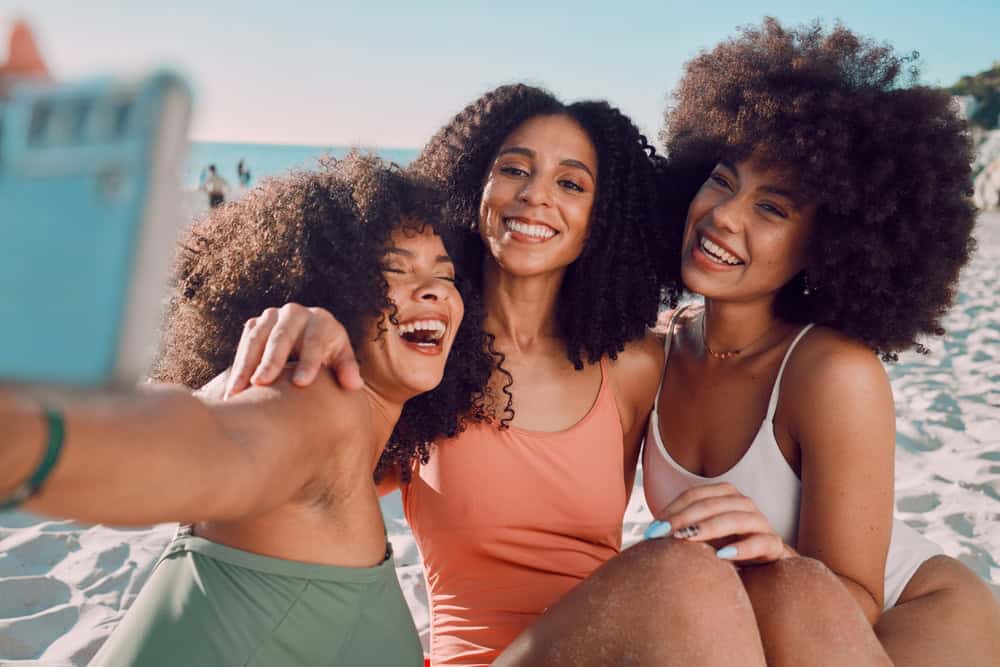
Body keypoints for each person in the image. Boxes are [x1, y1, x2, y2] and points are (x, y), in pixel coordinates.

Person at [225, 86, 823, 666]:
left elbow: (743, 378)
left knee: (699, 577)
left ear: (602, 218)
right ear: (473, 187)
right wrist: (304, 330)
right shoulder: (423, 350)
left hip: (616, 650)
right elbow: (294, 479)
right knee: (679, 570)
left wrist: (769, 543)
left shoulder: (637, 365)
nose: (536, 196)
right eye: (514, 170)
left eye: (570, 183)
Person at [1, 153, 493, 666]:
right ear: (332, 288)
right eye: (395, 269)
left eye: (446, 275)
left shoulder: (363, 460)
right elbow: (204, 444)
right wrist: (30, 437)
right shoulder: (315, 402)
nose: (434, 289)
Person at [637, 19, 1000, 665]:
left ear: (828, 246)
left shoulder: (833, 372)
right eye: (723, 178)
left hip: (903, 616)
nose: (724, 214)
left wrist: (776, 560)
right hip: (751, 627)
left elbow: (855, 595)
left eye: (772, 208)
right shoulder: (655, 353)